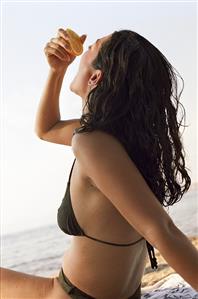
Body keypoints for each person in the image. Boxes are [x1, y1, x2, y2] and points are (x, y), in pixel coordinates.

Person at [1, 27, 198, 299]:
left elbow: (162, 230)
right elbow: (46, 128)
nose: (83, 47)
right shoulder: (116, 136)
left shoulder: (91, 142)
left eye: (92, 46)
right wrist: (57, 70)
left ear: (95, 77)